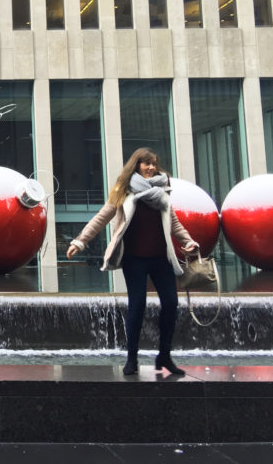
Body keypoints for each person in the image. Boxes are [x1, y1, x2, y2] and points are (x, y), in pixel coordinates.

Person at [66, 147, 200, 376]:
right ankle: (132, 359)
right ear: (136, 165)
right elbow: (101, 217)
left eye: (154, 164)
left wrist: (189, 241)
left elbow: (174, 222)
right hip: (134, 259)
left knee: (171, 305)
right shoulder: (124, 191)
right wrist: (80, 241)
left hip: (161, 258)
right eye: (146, 163)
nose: (151, 168)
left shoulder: (162, 191)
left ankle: (164, 356)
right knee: (136, 306)